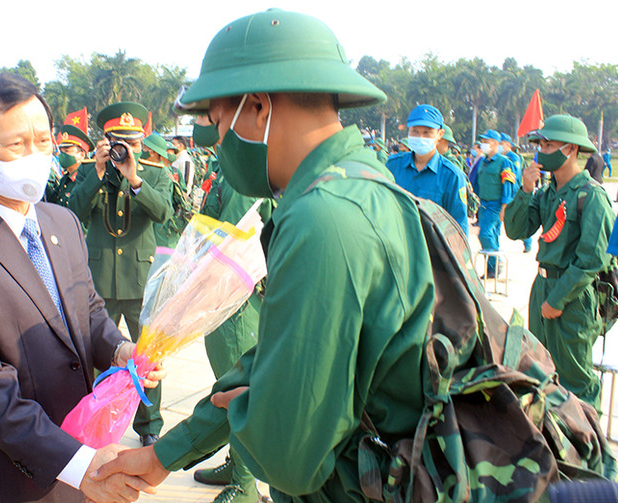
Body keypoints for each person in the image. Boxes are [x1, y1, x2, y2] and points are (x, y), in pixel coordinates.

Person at [92, 9, 435, 503]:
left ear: (257, 107)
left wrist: (259, 410)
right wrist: (164, 455)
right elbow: (273, 357)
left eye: (217, 123)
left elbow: (288, 458)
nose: (220, 143)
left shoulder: (325, 219)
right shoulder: (360, 182)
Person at [0, 73, 160, 503]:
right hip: (15, 477)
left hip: (84, 455)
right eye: (16, 145)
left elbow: (89, 310)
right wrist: (80, 464)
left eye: (43, 141)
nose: (35, 156)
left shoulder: (59, 221)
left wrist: (121, 351)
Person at [67, 102, 172, 448]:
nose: (127, 150)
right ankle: (95, 420)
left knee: (146, 359)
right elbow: (73, 214)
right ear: (106, 142)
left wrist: (134, 177)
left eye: (134, 144)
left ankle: (149, 425)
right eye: (118, 142)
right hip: (99, 281)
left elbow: (162, 213)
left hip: (140, 279)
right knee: (93, 355)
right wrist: (97, 173)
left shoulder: (154, 174)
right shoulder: (90, 172)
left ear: (142, 144)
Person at [504, 114, 614, 410]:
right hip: (542, 287)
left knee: (575, 381)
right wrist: (525, 190)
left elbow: (591, 261)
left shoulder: (591, 196)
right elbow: (516, 230)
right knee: (540, 373)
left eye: (549, 144)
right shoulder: (547, 193)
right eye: (540, 143)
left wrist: (558, 299)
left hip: (572, 296)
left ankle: (589, 449)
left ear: (572, 149)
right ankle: (554, 444)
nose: (542, 150)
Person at [189, 115, 272, 503]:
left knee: (235, 387)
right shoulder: (227, 174)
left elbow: (234, 241)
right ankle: (236, 465)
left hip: (234, 299)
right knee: (226, 381)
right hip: (224, 295)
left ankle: (245, 485)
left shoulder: (237, 181)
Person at [386, 104, 469, 236]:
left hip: (432, 252)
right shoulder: (393, 166)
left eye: (427, 132)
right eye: (415, 131)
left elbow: (459, 227)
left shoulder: (452, 176)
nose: (420, 137)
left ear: (440, 134)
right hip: (396, 246)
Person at [472, 129, 519, 277]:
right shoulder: (482, 161)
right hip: (483, 204)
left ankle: (496, 262)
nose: (483, 144)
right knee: (493, 235)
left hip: (496, 204)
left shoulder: (504, 162)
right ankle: (491, 270)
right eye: (483, 142)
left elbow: (508, 185)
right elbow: (478, 182)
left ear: (495, 144)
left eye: (487, 142)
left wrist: (505, 207)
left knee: (484, 234)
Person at [46, 124, 95, 207]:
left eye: (67, 151)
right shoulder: (66, 179)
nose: (62, 155)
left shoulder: (86, 178)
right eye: (61, 152)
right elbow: (53, 202)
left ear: (82, 154)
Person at [501, 133, 533, 253]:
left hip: (514, 191)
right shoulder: (500, 157)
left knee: (518, 217)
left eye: (501, 144)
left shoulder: (514, 158)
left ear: (508, 144)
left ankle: (527, 241)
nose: (499, 146)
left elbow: (515, 175)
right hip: (505, 191)